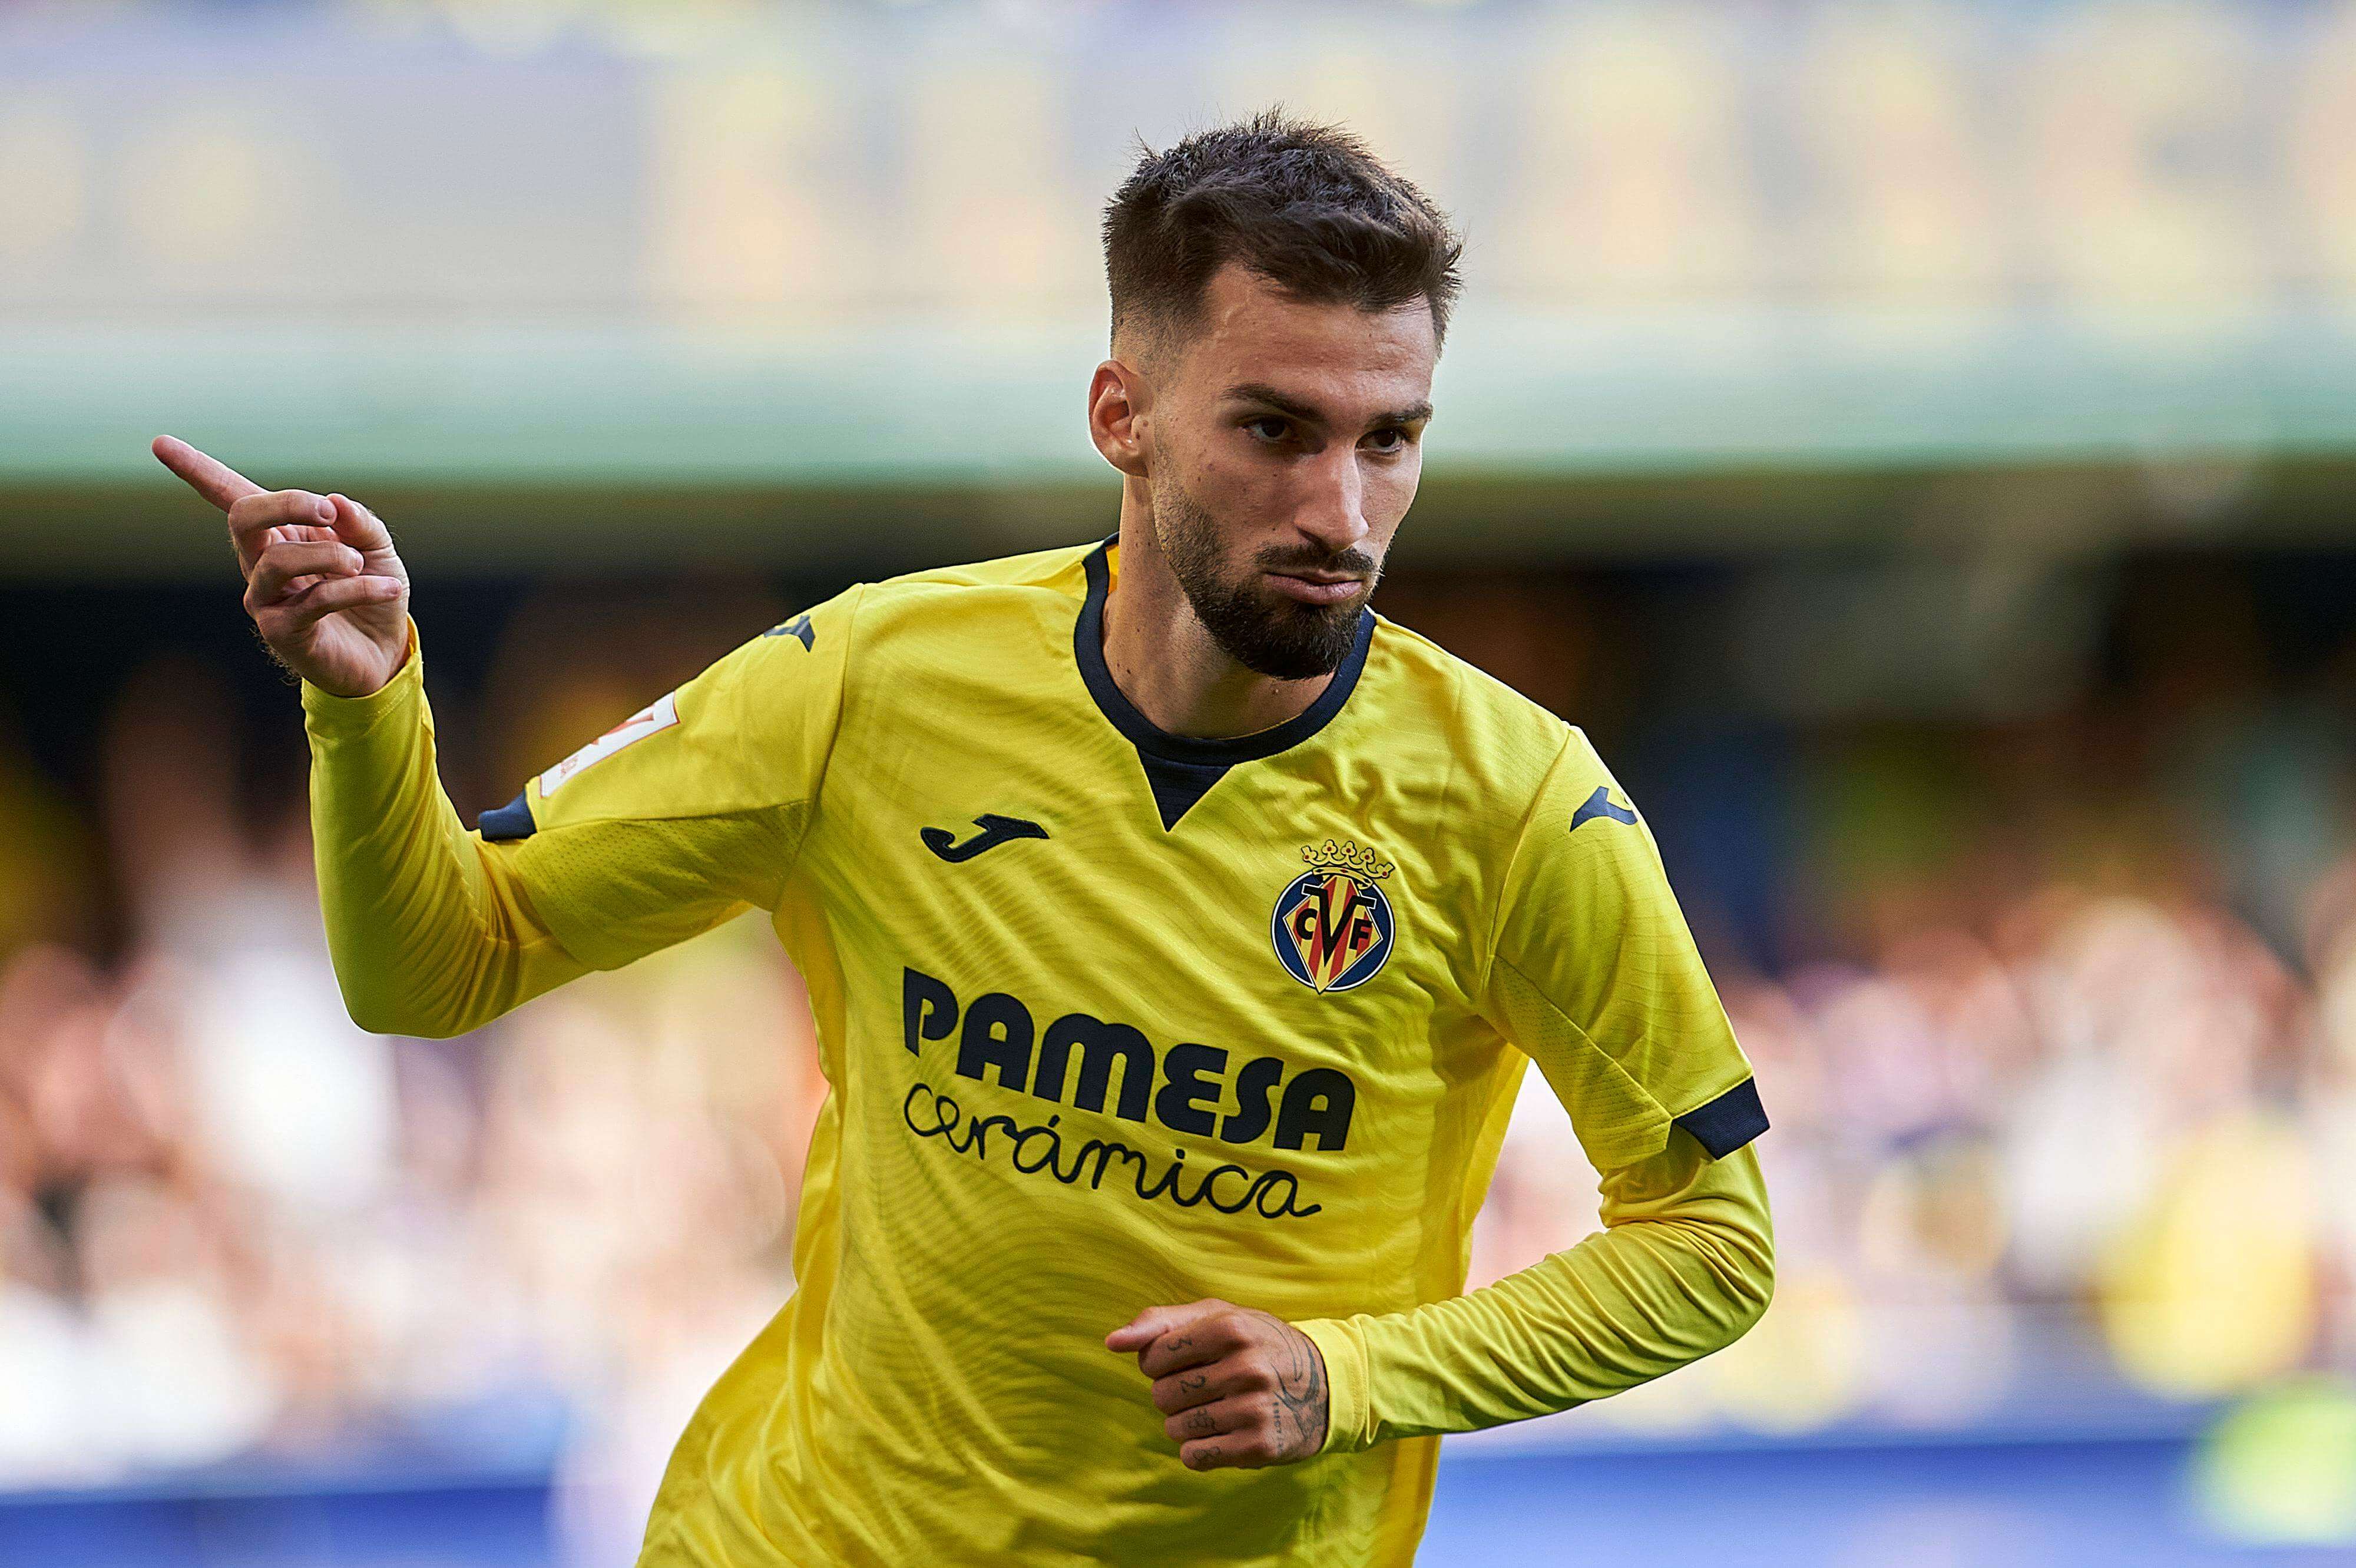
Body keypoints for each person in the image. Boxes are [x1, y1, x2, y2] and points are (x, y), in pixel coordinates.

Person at [154, 110, 1773, 1568]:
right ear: (1121, 415)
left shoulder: (1519, 804)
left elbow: (1712, 1245)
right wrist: (366, 712)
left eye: (1390, 441)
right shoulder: (872, 681)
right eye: (1275, 432)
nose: (1342, 513)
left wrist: (1356, 1375)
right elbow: (435, 967)